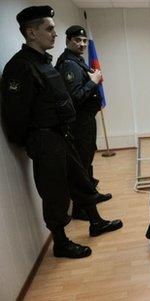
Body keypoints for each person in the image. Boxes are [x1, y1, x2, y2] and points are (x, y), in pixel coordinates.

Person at [0, 6, 122, 259]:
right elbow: (16, 114)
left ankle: (96, 222)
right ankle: (61, 243)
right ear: (32, 33)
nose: (55, 34)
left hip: (62, 135)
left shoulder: (43, 62)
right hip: (45, 140)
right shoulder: (20, 68)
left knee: (81, 180)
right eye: (50, 29)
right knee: (54, 193)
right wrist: (31, 141)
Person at [55, 25, 112, 220]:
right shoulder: (69, 64)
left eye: (84, 41)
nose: (81, 44)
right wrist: (93, 82)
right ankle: (81, 208)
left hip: (86, 121)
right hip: (79, 124)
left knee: (86, 161)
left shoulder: (77, 61)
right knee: (81, 164)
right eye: (77, 40)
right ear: (68, 41)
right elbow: (75, 97)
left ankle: (91, 196)